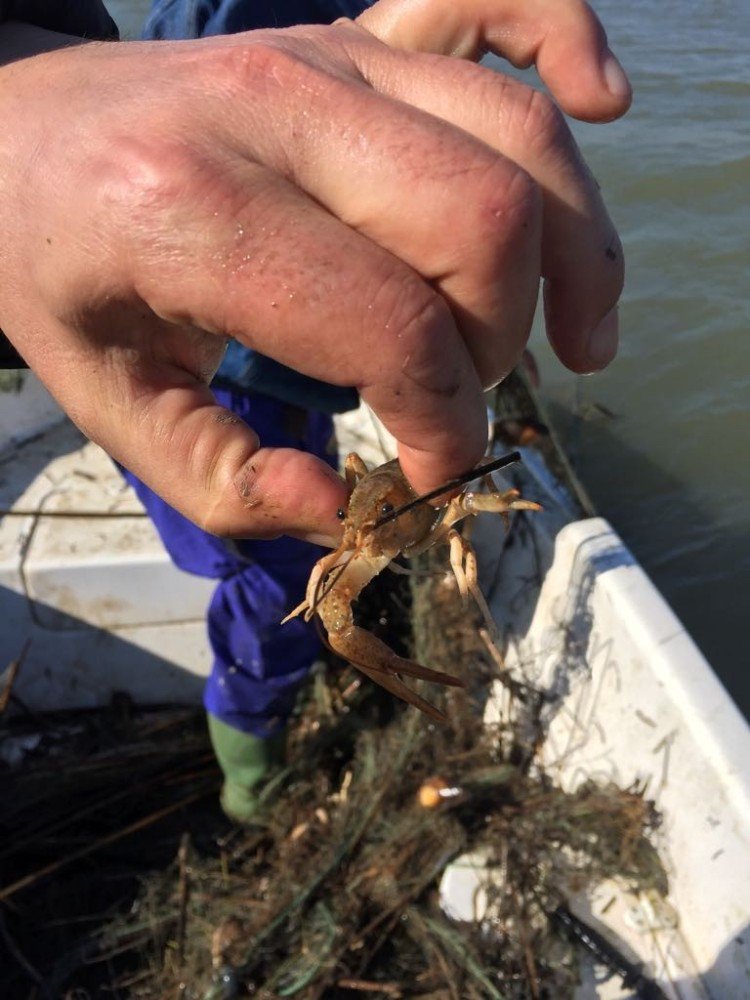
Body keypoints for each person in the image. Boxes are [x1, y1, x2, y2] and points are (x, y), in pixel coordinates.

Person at [0, 0, 631, 819]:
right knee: (280, 579)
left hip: (315, 371)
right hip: (199, 355)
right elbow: (183, 83)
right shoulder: (211, 30)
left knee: (319, 510)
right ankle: (248, 765)